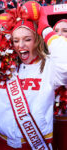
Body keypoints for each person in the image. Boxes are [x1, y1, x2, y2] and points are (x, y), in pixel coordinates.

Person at [0, 3, 67, 150]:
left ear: (37, 40)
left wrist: (45, 29)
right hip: (4, 142)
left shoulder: (49, 66)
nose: (21, 45)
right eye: (16, 40)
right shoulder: (2, 67)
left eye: (27, 39)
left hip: (37, 143)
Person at [52, 19, 67, 150]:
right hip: (51, 122)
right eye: (55, 31)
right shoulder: (46, 59)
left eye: (65, 31)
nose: (59, 34)